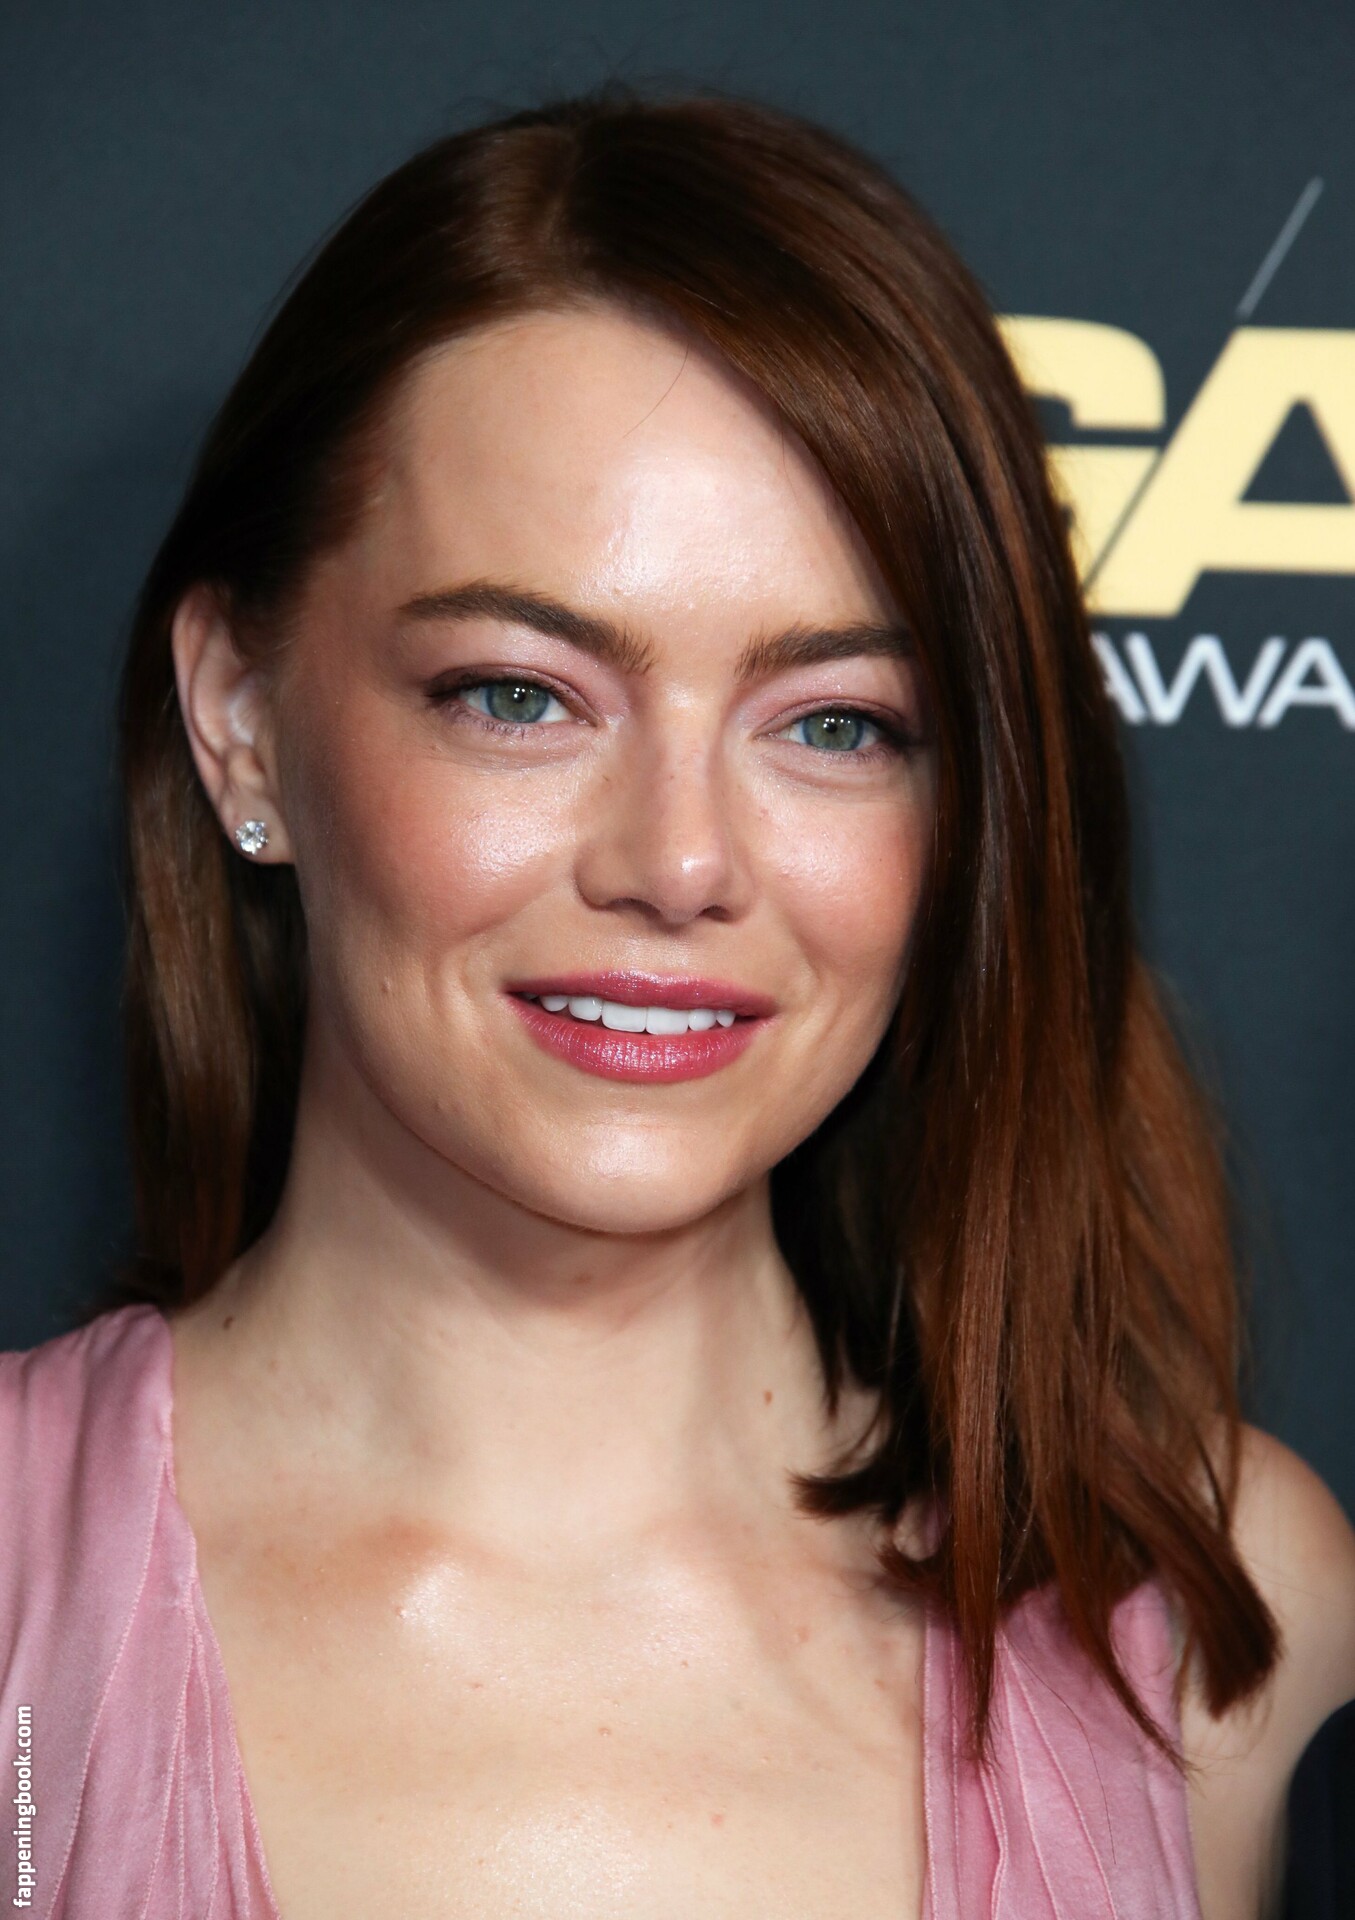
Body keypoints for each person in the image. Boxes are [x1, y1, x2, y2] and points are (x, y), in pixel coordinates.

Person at [2, 86, 1352, 1920]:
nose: (682, 861)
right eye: (520, 695)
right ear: (241, 717)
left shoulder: (1220, 1627)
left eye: (836, 724)